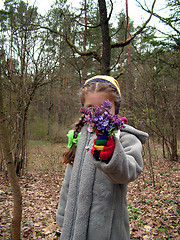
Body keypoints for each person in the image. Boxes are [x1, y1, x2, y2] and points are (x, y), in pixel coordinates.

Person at [56, 75, 149, 240]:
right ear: (84, 108)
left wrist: (113, 155)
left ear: (115, 108)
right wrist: (63, 216)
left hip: (108, 228)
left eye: (105, 108)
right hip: (75, 225)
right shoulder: (80, 136)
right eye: (91, 108)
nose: (97, 113)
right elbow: (68, 182)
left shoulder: (124, 136)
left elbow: (130, 171)